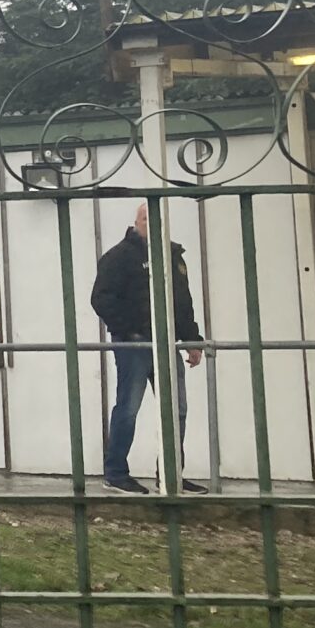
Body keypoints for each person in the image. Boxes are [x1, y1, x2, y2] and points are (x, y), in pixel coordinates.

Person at [90, 204, 203, 493]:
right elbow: (101, 299)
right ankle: (115, 473)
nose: (152, 224)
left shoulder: (172, 256)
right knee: (129, 408)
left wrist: (192, 339)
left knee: (177, 409)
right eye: (146, 218)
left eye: (157, 219)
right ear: (136, 222)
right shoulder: (119, 257)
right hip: (135, 344)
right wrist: (131, 329)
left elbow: (182, 302)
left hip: (165, 343)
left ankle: (170, 474)